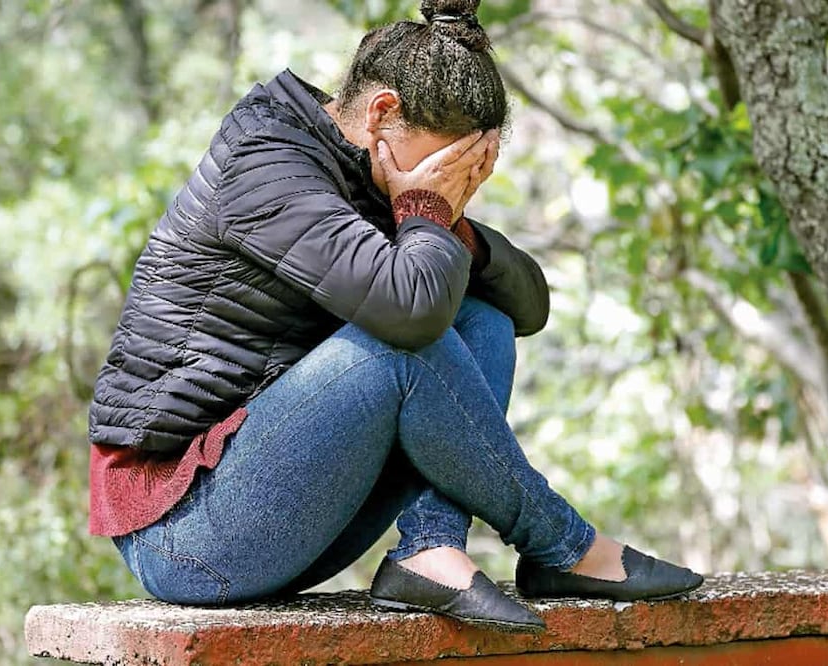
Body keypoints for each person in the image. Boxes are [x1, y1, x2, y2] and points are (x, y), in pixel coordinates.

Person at [87, 0, 703, 633]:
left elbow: (528, 307)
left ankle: (431, 548)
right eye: (445, 165)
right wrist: (428, 211)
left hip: (287, 512)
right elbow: (410, 318)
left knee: (481, 320)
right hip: (182, 531)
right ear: (382, 112)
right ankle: (563, 545)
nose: (452, 182)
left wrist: (450, 223)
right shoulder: (266, 165)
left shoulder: (370, 175)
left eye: (467, 171)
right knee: (404, 343)